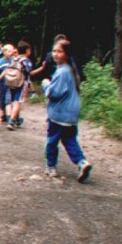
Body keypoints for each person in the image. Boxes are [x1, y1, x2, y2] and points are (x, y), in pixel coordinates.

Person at [42, 39, 93, 182]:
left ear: (66, 54)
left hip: (60, 113)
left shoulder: (62, 71)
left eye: (59, 51)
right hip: (71, 114)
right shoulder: (70, 69)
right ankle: (82, 162)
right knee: (70, 140)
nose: (55, 54)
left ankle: (51, 166)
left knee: (52, 140)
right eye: (54, 51)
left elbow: (54, 93)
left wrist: (46, 84)